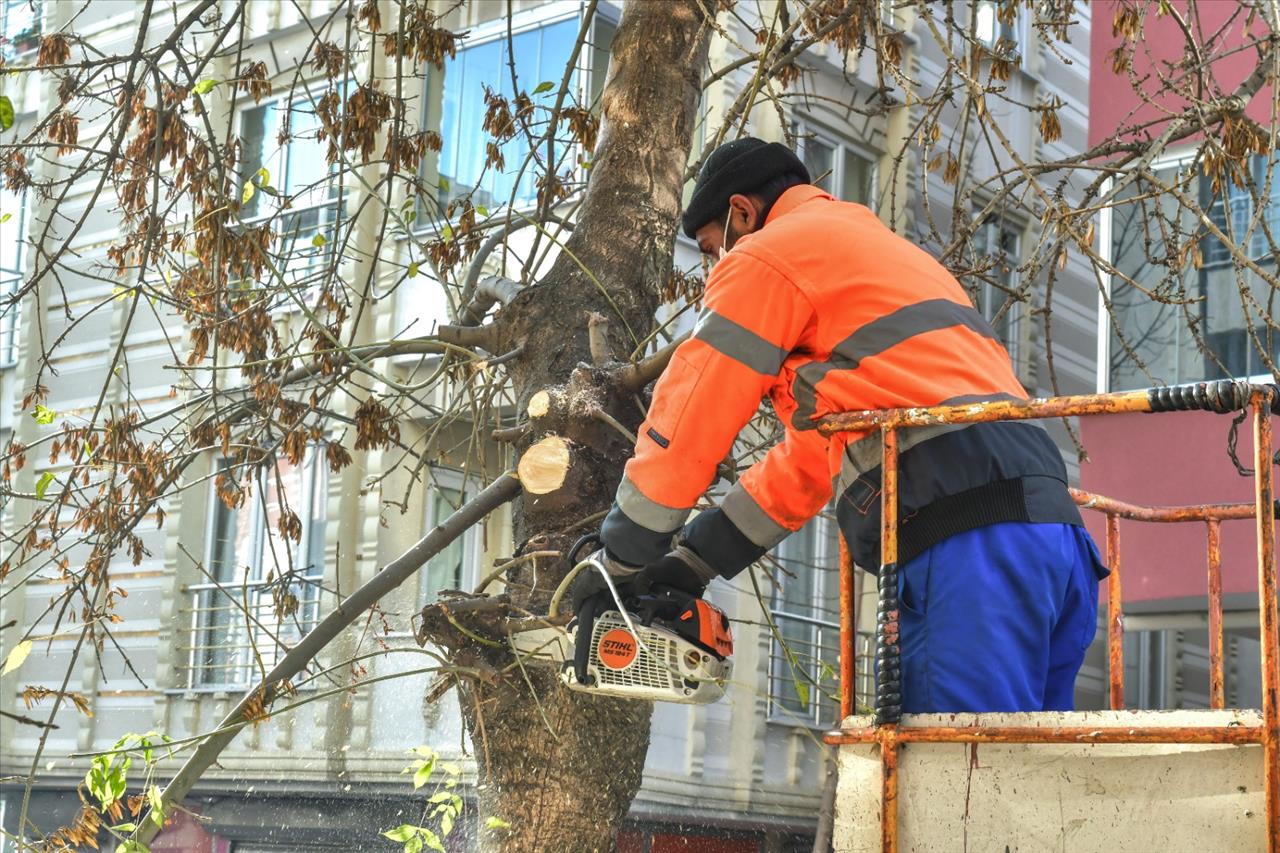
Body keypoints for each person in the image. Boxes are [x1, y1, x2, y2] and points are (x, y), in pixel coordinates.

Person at [571, 137, 1108, 713]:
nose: (713, 267)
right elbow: (807, 464)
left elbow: (694, 410)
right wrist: (694, 560)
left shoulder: (765, 256)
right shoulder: (882, 256)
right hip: (1052, 533)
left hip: (967, 542)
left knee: (958, 780)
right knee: (1035, 780)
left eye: (710, 250)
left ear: (742, 214)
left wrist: (623, 554)